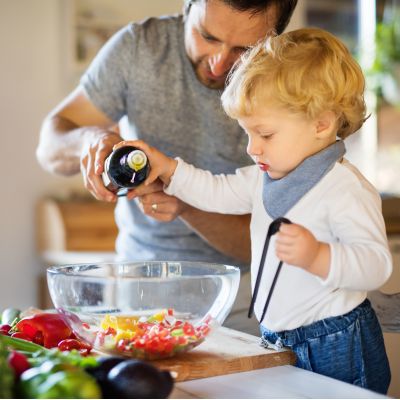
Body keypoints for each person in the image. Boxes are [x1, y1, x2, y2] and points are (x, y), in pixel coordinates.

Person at [114, 28, 393, 393]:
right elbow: (215, 190)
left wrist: (319, 256)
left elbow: (376, 265)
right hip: (278, 336)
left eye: (265, 134)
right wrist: (169, 169)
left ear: (322, 124)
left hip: (335, 341)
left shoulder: (345, 189)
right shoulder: (263, 177)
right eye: (247, 133)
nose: (251, 148)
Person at [36, 0, 298, 336]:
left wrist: (185, 203)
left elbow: (267, 244)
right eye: (208, 36)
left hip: (246, 297)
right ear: (188, 7)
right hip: (136, 288)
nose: (219, 64)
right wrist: (89, 140)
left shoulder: (287, 80)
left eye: (245, 50)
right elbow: (49, 146)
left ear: (276, 37)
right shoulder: (139, 47)